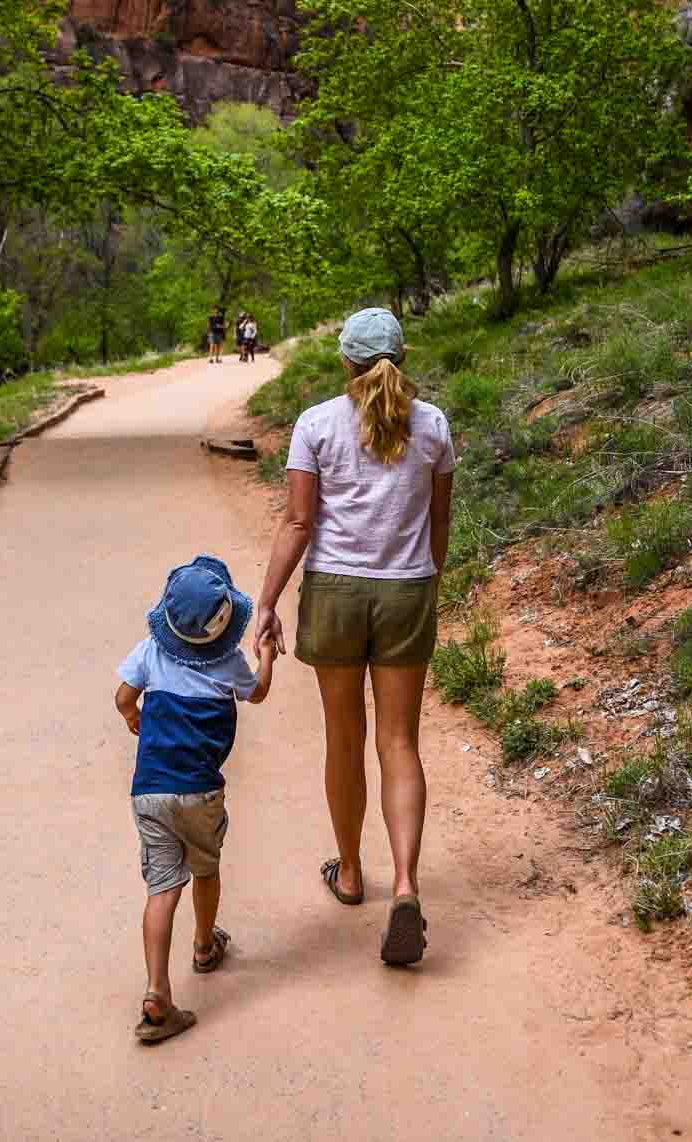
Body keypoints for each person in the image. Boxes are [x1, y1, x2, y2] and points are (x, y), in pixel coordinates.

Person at [254, 307, 453, 967]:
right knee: (400, 741)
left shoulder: (315, 424)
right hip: (406, 591)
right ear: (403, 354)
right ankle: (405, 884)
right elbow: (438, 526)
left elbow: (298, 522)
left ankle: (347, 869)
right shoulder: (434, 425)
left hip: (336, 594)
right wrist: (424, 583)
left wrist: (267, 602)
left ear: (345, 362)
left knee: (346, 736)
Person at [115, 554, 276, 1044]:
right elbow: (259, 692)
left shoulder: (148, 652)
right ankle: (205, 947)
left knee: (162, 887)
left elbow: (123, 698)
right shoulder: (229, 662)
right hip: (200, 792)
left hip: (150, 792)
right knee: (204, 869)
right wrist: (266, 653)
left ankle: (156, 988)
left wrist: (132, 718)